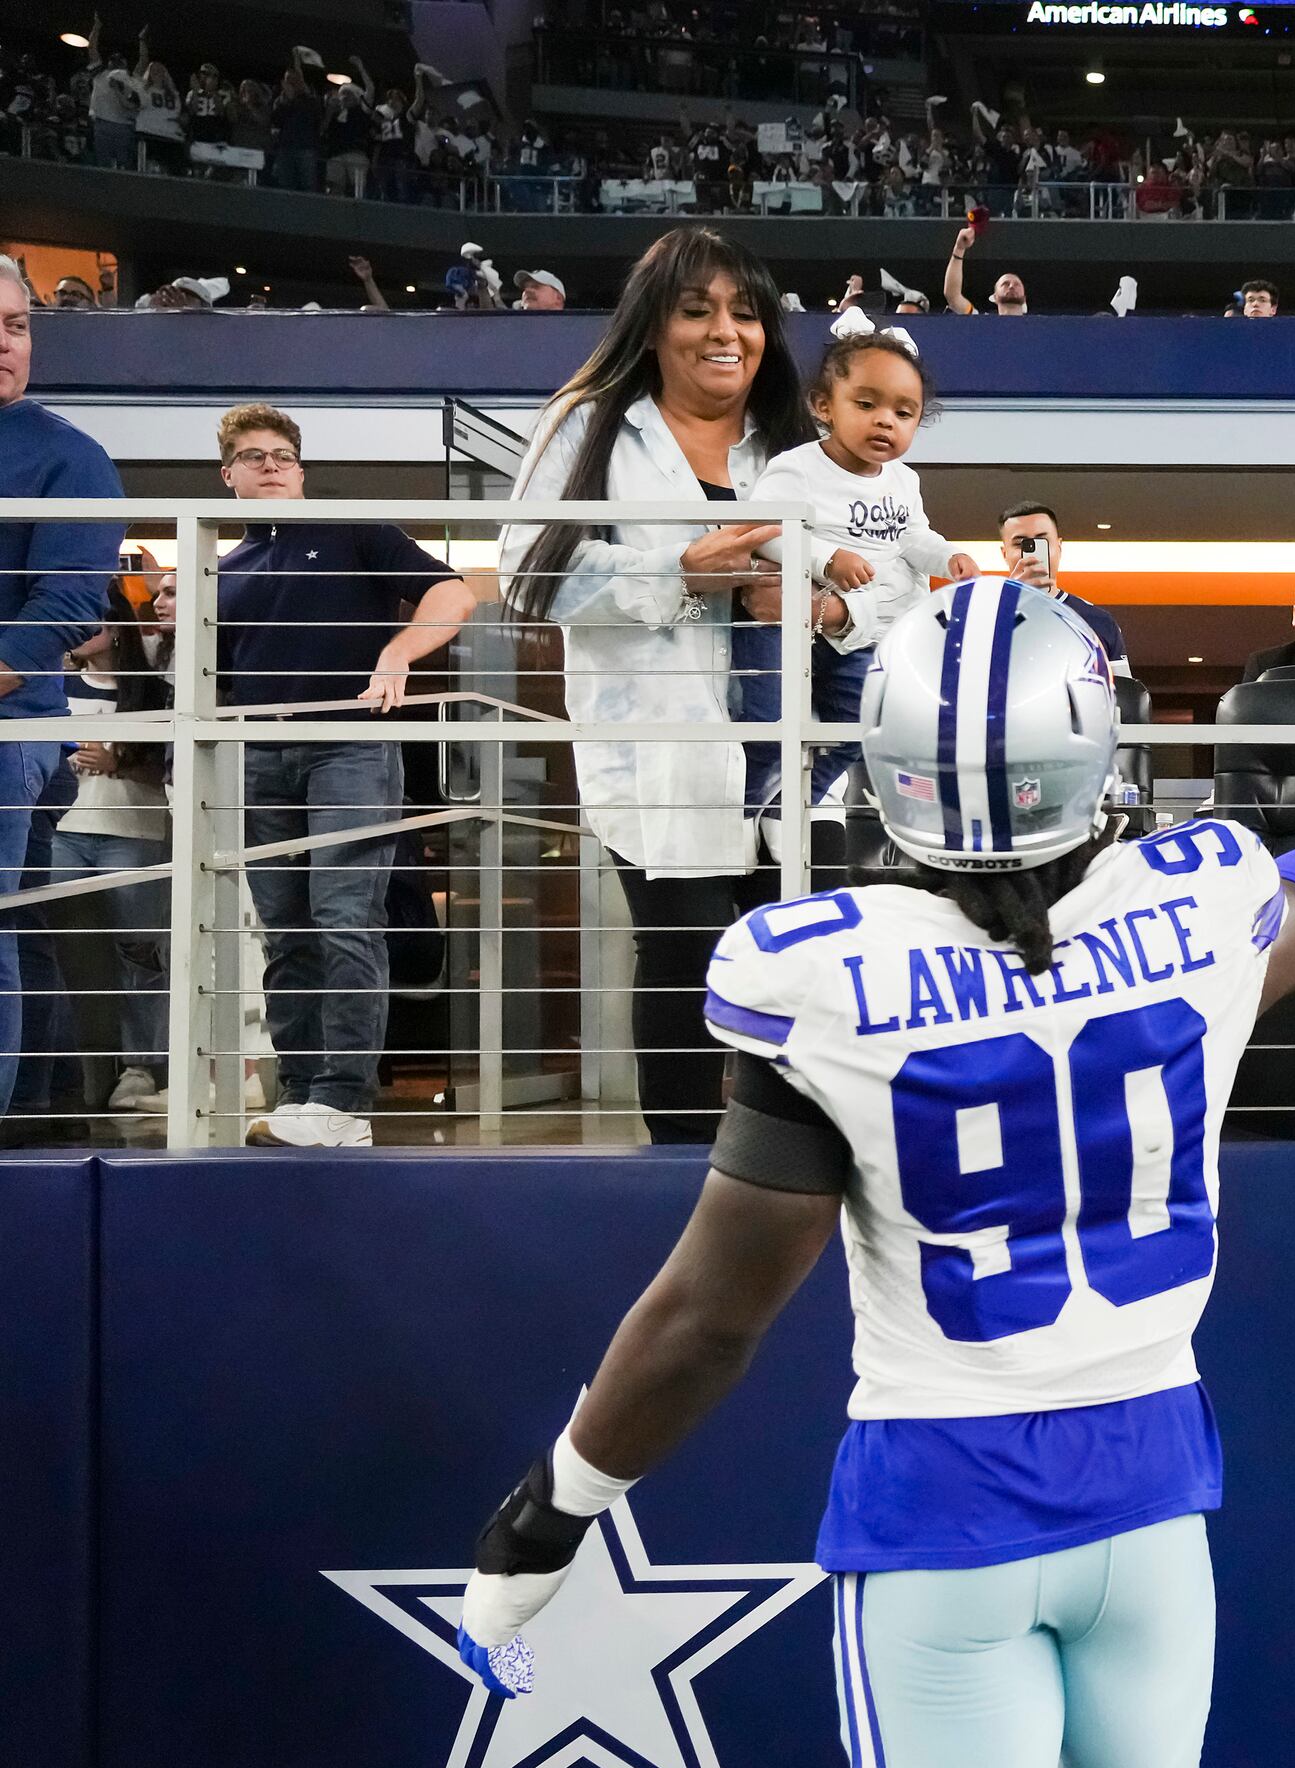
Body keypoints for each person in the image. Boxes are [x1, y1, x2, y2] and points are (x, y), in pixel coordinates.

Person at [448, 583, 1295, 1768]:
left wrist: (547, 1516)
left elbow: (708, 1319)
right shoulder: (1201, 902)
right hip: (1148, 1502)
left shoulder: (820, 972)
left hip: (940, 1515)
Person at [502, 226, 818, 1144]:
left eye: (745, 312)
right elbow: (529, 575)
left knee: (797, 969)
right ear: (651, 327)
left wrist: (817, 603)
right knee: (684, 958)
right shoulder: (588, 421)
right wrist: (680, 572)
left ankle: (789, 1170)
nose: (727, 331)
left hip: (793, 748)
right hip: (661, 749)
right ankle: (683, 1175)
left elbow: (872, 581)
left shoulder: (800, 439)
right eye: (697, 311)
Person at [212, 401, 474, 1146]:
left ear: (300, 470)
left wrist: (398, 652)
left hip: (350, 746)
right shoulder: (225, 567)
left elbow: (453, 591)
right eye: (254, 455)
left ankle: (342, 1099)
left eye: (282, 456)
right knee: (286, 929)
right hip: (260, 750)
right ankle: (299, 1094)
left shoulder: (352, 528)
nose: (270, 465)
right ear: (227, 473)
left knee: (345, 916)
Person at [738, 309, 976, 812]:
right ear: (823, 406)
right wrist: (826, 559)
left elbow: (913, 537)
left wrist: (949, 556)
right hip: (785, 624)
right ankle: (746, 810)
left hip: (860, 634)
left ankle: (791, 803)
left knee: (863, 724)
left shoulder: (903, 481)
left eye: (904, 412)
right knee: (765, 726)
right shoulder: (796, 468)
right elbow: (764, 532)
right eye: (866, 404)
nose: (885, 420)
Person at [0, 256, 128, 1122]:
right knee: (23, 932)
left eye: (15, 325)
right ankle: (35, 1119)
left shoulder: (68, 456)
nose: (5, 343)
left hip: (13, 728)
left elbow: (69, 604)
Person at [52, 577, 174, 1113]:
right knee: (52, 950)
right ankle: (61, 1074)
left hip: (133, 829)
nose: (74, 630)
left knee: (140, 952)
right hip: (63, 830)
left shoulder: (150, 682)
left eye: (86, 618)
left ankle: (141, 1068)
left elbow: (175, 763)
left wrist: (120, 760)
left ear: (113, 624)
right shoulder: (51, 680)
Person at [997, 503, 1126, 668]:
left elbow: (1122, 691)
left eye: (1042, 541)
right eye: (1020, 543)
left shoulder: (1098, 620)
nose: (1032, 553)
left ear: (1059, 547)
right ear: (1005, 553)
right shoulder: (985, 617)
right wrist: (1011, 605)